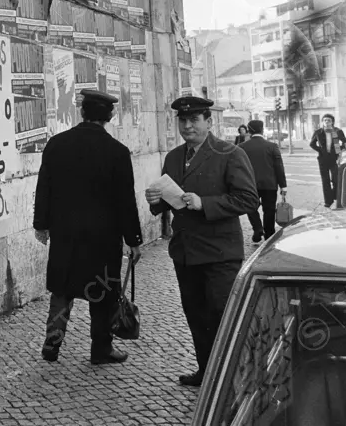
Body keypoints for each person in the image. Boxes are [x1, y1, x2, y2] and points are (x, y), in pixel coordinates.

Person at [145, 96, 258, 387]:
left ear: (209, 122)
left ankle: (234, 377)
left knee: (223, 316)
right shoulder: (172, 157)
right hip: (185, 252)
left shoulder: (229, 153)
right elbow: (169, 200)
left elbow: (248, 199)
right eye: (183, 120)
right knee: (195, 313)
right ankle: (206, 372)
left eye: (194, 120)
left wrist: (203, 203)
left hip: (220, 253)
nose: (187, 126)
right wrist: (156, 202)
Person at [34, 89, 143, 365]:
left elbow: (43, 188)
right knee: (103, 294)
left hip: (65, 235)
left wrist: (41, 225)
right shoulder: (117, 152)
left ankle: (53, 343)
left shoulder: (57, 144)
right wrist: (134, 239)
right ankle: (101, 349)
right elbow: (125, 201)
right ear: (110, 115)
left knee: (62, 290)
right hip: (103, 239)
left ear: (81, 112)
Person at [238, 120, 287, 242]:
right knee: (269, 210)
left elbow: (238, 168)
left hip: (249, 184)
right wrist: (283, 186)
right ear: (262, 129)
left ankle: (257, 228)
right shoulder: (272, 146)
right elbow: (279, 167)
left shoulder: (242, 147)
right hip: (269, 184)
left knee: (250, 207)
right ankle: (269, 235)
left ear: (249, 130)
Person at [309, 114, 346, 208]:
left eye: (329, 120)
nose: (326, 122)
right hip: (323, 159)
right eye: (325, 120)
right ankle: (328, 201)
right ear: (322, 122)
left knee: (336, 179)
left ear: (332, 122)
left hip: (335, 158)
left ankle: (336, 197)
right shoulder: (318, 132)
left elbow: (345, 143)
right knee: (325, 181)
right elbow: (312, 144)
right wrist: (320, 150)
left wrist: (338, 150)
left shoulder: (337, 131)